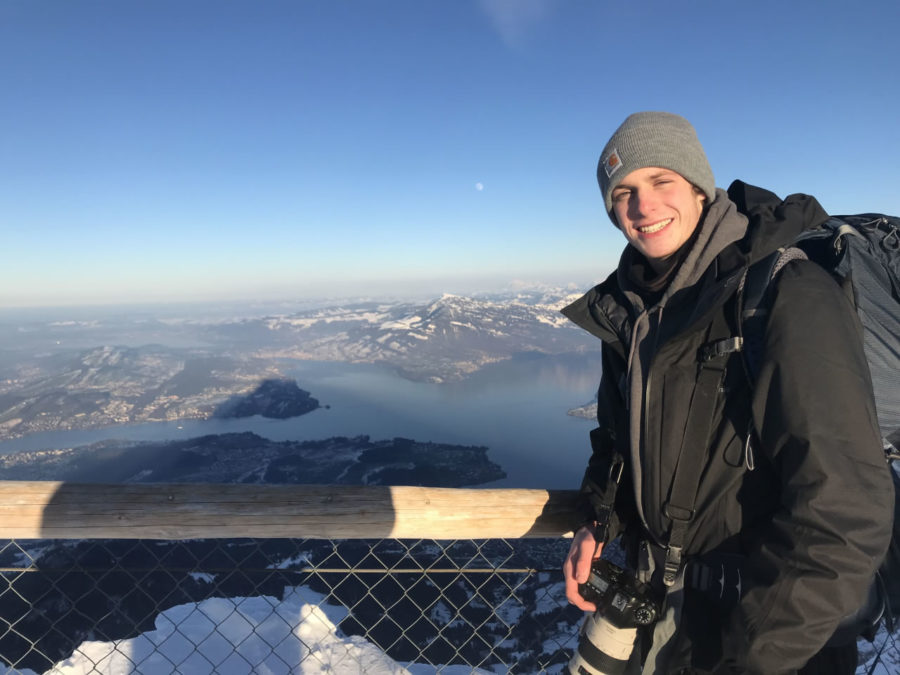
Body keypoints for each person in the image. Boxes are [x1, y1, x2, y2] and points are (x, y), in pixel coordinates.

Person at [560, 111, 894, 674]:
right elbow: (620, 441)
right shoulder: (634, 311)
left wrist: (760, 655)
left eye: (661, 181)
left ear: (697, 186)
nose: (642, 207)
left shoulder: (786, 294)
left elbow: (843, 509)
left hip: (770, 635)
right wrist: (600, 518)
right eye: (623, 193)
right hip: (671, 616)